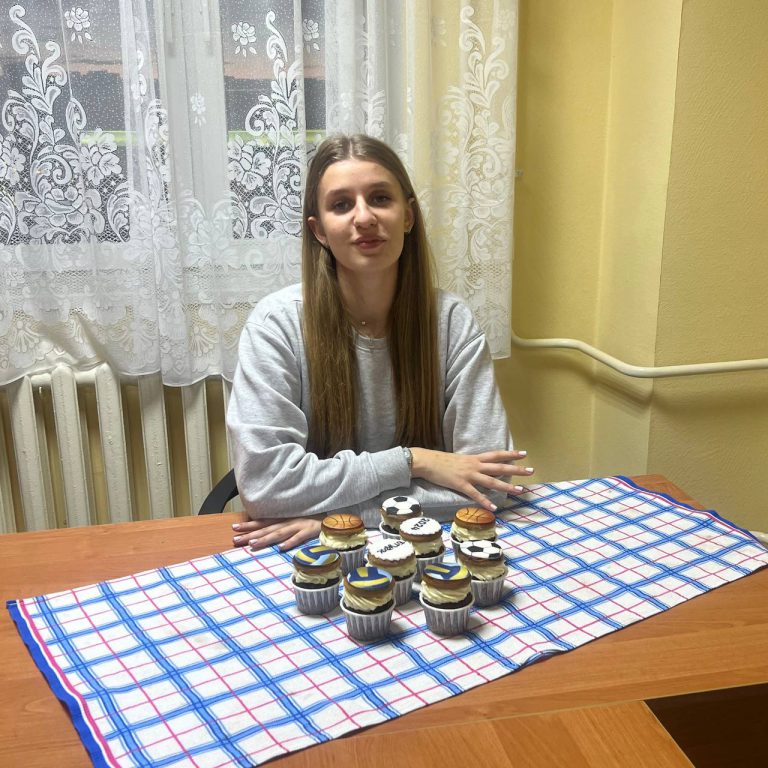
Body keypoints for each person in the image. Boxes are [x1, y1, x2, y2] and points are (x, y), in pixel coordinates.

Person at [227, 134, 532, 552]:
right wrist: (415, 461)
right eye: (341, 204)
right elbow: (265, 488)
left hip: (422, 548)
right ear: (319, 231)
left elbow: (489, 487)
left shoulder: (452, 322)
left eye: (380, 198)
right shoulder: (275, 325)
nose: (364, 217)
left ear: (408, 216)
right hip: (309, 554)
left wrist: (335, 519)